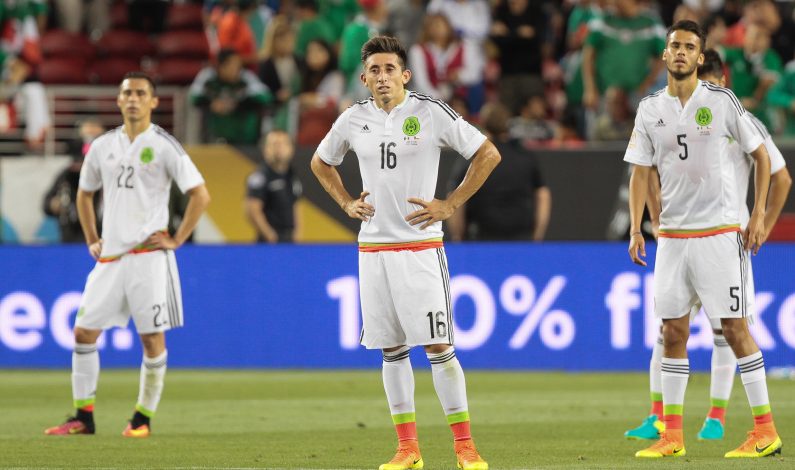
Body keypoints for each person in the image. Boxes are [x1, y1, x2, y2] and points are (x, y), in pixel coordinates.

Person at [310, 36, 499, 470]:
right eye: (374, 70)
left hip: (420, 247)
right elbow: (321, 162)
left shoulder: (431, 112)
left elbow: (487, 154)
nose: (382, 77)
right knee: (391, 350)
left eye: (389, 69)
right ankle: (408, 449)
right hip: (373, 248)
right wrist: (344, 203)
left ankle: (465, 447)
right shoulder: (352, 118)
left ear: (405, 75)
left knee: (438, 346)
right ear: (363, 77)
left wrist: (449, 204)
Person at [625, 20, 782, 458]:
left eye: (689, 47)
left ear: (700, 56)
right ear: (664, 54)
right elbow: (641, 170)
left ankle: (765, 429)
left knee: (734, 328)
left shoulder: (723, 101)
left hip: (718, 234)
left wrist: (758, 215)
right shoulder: (649, 108)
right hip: (672, 237)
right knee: (672, 330)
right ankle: (671, 435)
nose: (680, 52)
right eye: (674, 45)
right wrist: (638, 226)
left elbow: (763, 157)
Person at [44, 72, 211, 438]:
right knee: (84, 332)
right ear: (118, 101)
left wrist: (177, 238)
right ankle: (83, 417)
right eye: (127, 93)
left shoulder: (165, 145)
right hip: (111, 258)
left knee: (151, 340)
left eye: (140, 93)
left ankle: (142, 419)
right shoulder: (102, 147)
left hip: (149, 259)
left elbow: (200, 195)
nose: (133, 98)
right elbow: (84, 194)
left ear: (153, 102)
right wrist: (92, 237)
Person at [447, 102, 550, 241]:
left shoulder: (472, 159)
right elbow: (543, 195)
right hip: (521, 240)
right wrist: (537, 235)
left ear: (483, 124)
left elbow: (454, 198)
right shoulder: (526, 157)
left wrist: (458, 236)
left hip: (481, 240)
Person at [43, 118, 105, 243]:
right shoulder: (66, 175)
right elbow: (47, 204)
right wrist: (54, 205)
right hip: (71, 237)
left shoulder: (108, 174)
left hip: (103, 237)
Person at [245, 129, 302, 243]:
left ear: (291, 149)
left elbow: (296, 206)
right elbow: (252, 210)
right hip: (269, 242)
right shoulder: (259, 177)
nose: (279, 148)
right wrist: (270, 236)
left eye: (284, 144)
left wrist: (297, 235)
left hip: (289, 239)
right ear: (265, 149)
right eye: (275, 144)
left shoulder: (292, 176)